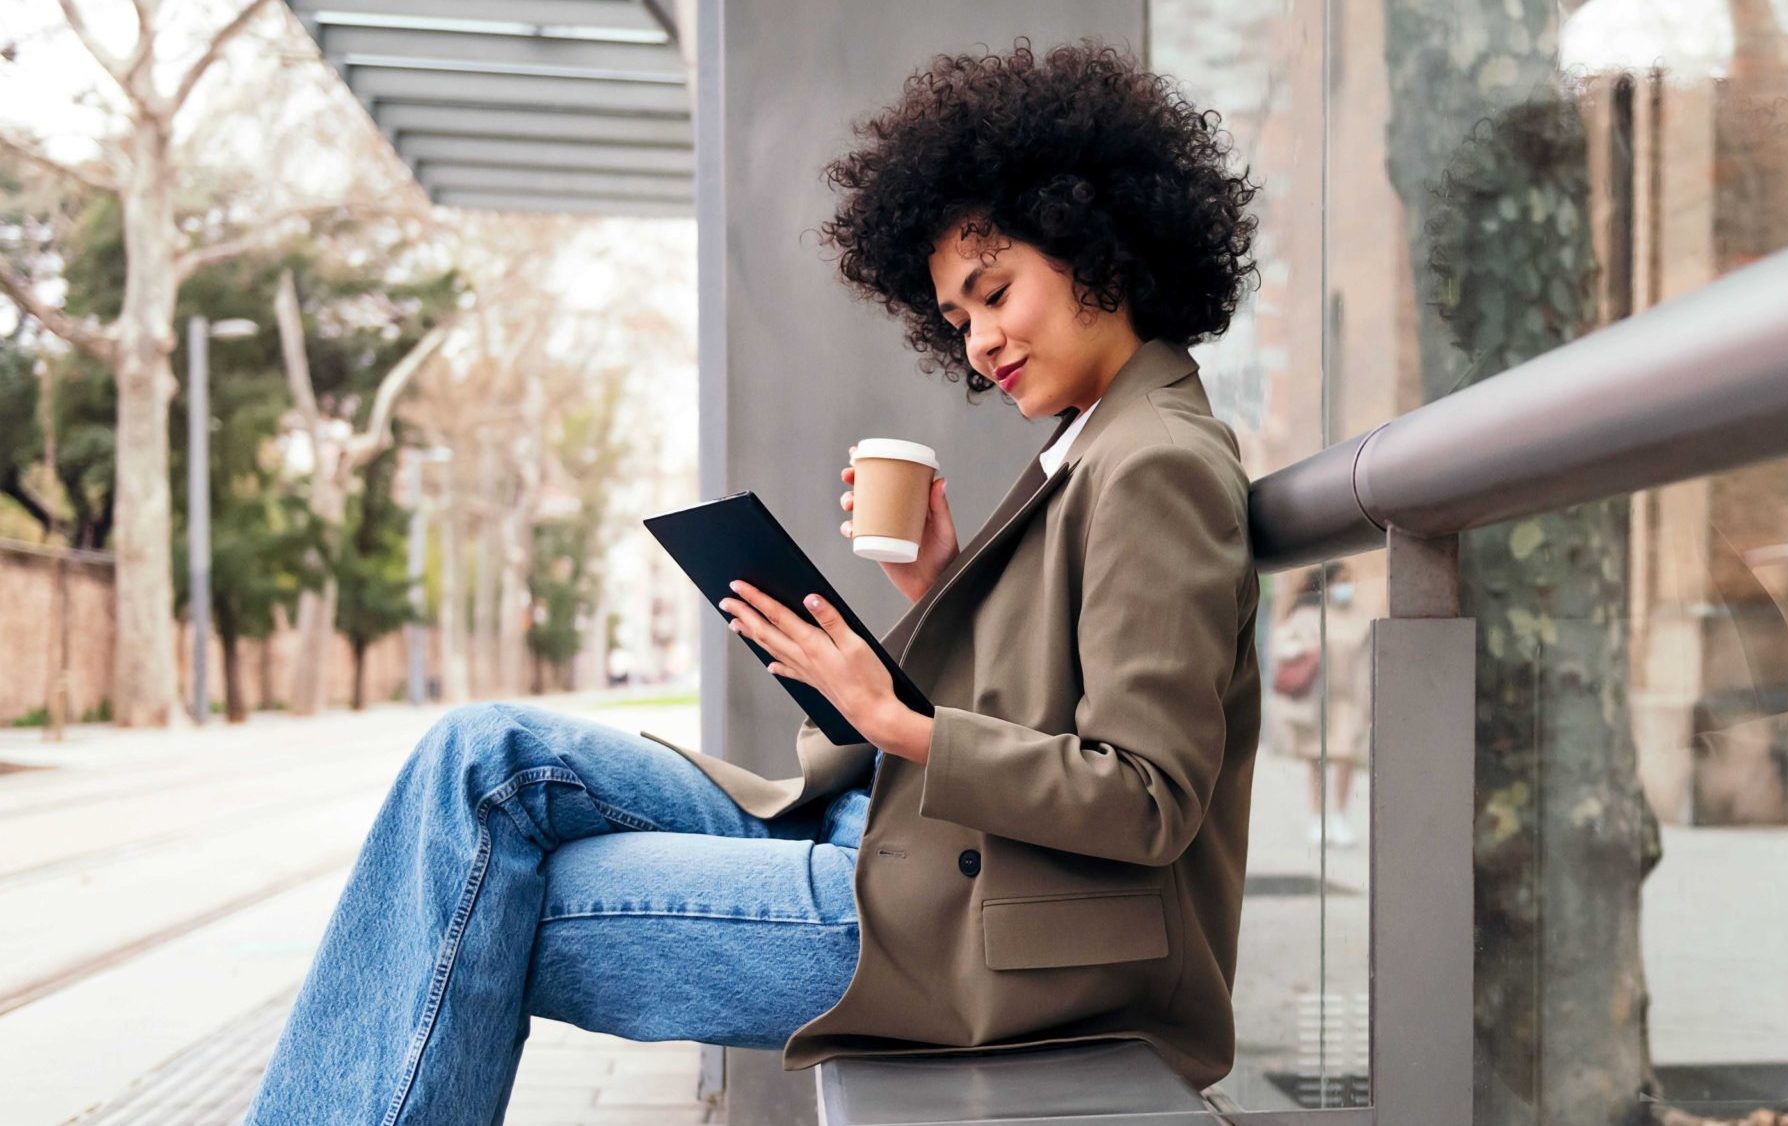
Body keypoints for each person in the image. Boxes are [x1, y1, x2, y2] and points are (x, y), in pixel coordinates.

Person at [244, 38, 1263, 1122]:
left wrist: (895, 720)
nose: (978, 344)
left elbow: (1145, 800)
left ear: (1094, 238)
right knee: (479, 757)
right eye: (957, 319)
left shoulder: (1155, 460)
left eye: (994, 291)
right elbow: (1050, 705)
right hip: (902, 846)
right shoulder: (1098, 442)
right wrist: (941, 584)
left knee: (477, 898)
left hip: (990, 937)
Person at [1263, 568, 1370, 847]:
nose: (1346, 588)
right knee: (1317, 760)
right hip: (1316, 702)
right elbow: (1280, 645)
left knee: (1346, 757)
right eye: (1340, 583)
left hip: (1348, 701)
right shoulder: (1308, 616)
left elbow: (1366, 663)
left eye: (1350, 582)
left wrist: (1367, 703)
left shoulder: (1359, 618)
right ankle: (1317, 818)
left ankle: (1340, 816)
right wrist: (1304, 646)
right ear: (1328, 585)